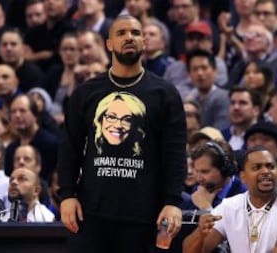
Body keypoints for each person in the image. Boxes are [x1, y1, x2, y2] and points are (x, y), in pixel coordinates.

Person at [58, 15, 187, 253]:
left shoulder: (164, 93)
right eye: (121, 33)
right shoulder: (87, 92)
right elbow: (69, 147)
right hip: (90, 215)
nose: (129, 37)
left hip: (144, 217)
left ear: (144, 42)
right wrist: (66, 194)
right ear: (108, 44)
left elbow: (175, 153)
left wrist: (172, 201)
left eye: (136, 33)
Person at [183, 146, 277, 253]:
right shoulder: (229, 206)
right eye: (257, 167)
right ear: (243, 177)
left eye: (270, 166)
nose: (266, 171)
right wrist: (200, 234)